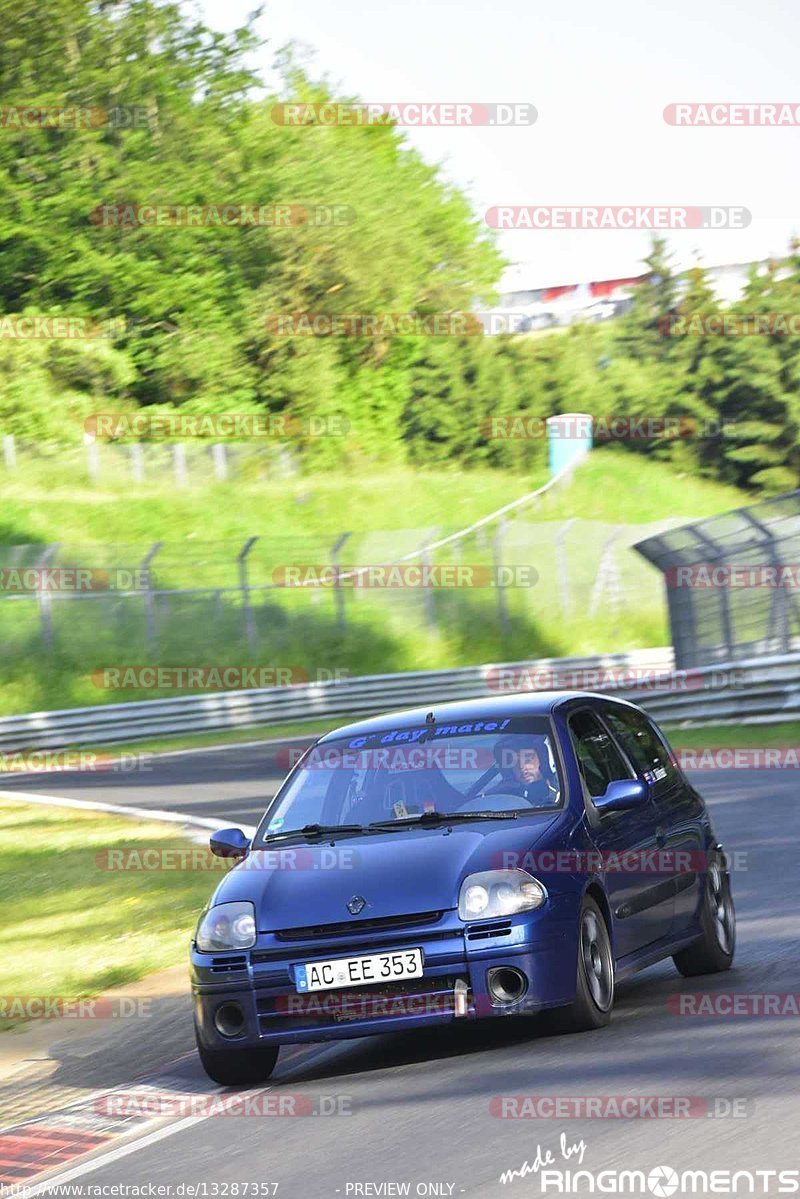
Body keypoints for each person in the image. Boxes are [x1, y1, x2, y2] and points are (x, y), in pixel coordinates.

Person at [482, 734, 558, 805]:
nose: (522, 767)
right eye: (514, 762)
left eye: (528, 759)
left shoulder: (563, 793)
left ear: (542, 760)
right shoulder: (500, 798)